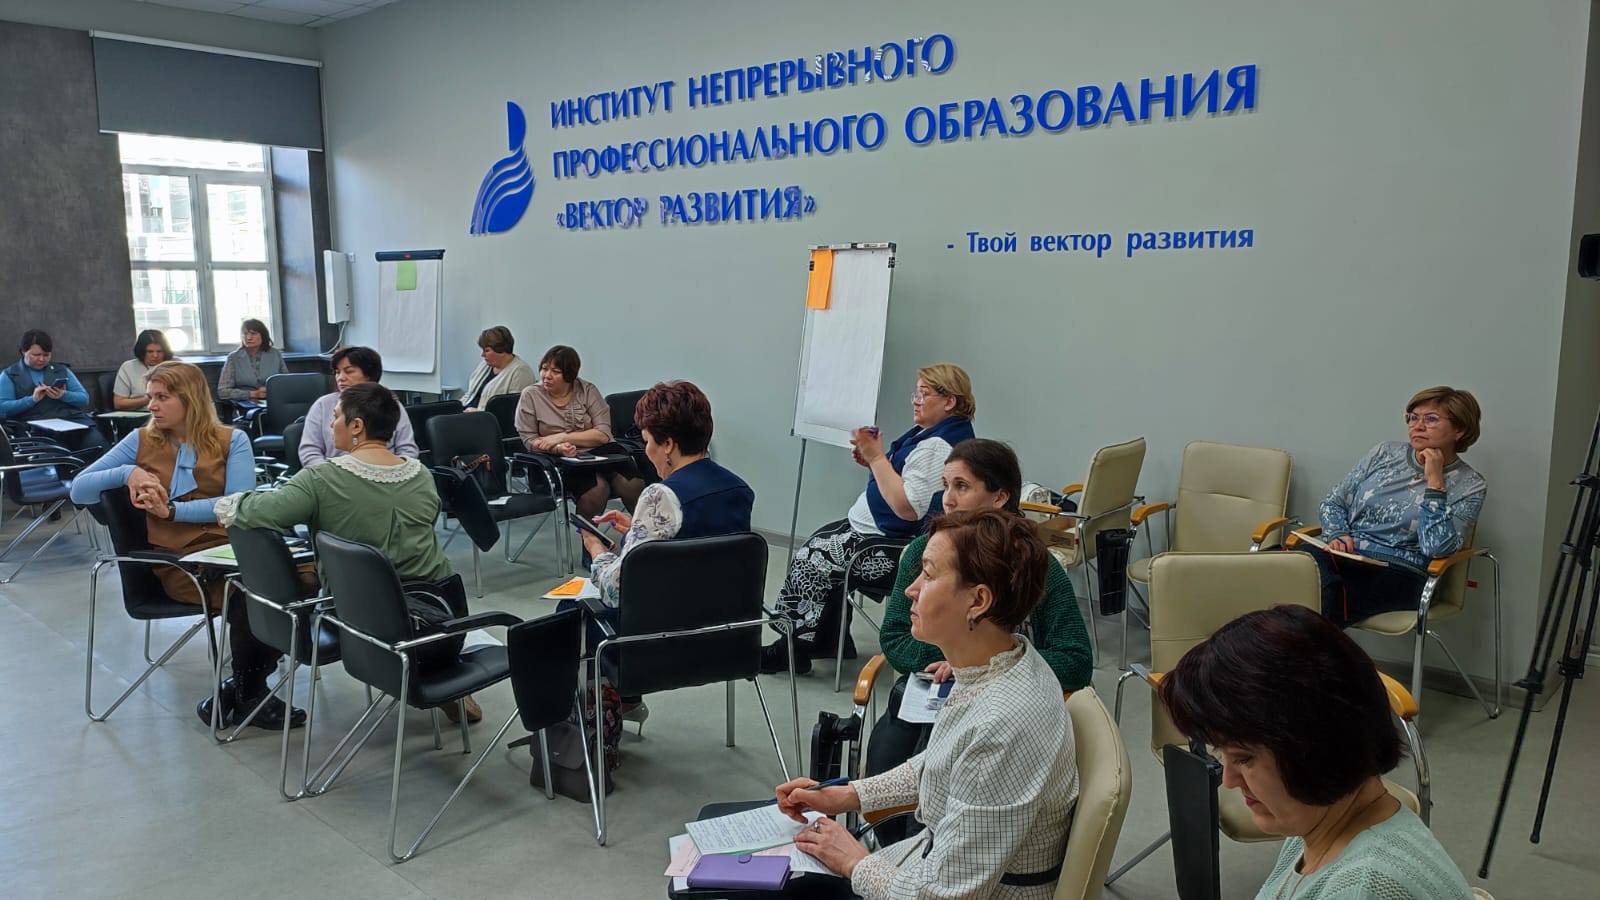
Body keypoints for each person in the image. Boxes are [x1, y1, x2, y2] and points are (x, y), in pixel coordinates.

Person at [778, 509, 1077, 899]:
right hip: (933, 866)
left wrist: (854, 862)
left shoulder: (1003, 723)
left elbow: (944, 894)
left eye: (930, 575)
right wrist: (851, 794)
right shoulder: (1005, 662)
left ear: (978, 600)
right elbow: (944, 762)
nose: (911, 589)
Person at [1159, 605, 1473, 900]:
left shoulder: (1363, 888)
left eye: (1244, 759)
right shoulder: (1318, 824)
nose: (1228, 780)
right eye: (1222, 754)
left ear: (1314, 746)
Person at [216, 382, 482, 723]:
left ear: (357, 426)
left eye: (336, 416)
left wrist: (229, 504)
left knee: (289, 584)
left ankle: (246, 689)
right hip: (441, 617)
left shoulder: (321, 478)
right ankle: (442, 676)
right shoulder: (421, 475)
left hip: (359, 618)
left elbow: (263, 512)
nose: (331, 424)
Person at [66, 362, 295, 728]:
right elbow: (79, 489)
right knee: (255, 590)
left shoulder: (231, 440)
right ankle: (251, 694)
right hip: (181, 562)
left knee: (302, 578)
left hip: (233, 548)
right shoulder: (140, 440)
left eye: (162, 397)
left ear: (190, 399)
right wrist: (129, 472)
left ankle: (238, 688)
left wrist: (173, 510)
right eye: (150, 397)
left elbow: (236, 504)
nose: (151, 406)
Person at [867, 439, 1092, 804]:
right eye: (945, 486)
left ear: (1000, 497)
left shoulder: (1036, 565)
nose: (948, 500)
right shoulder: (925, 552)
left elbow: (1077, 660)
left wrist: (983, 663)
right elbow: (895, 639)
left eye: (961, 486)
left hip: (1010, 707)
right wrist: (954, 659)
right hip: (932, 694)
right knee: (889, 767)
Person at [762, 364, 977, 675]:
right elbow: (904, 482)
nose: (915, 401)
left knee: (814, 558)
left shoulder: (936, 446)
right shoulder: (936, 434)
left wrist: (877, 458)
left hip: (893, 548)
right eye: (915, 393)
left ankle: (790, 650)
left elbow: (908, 508)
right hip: (880, 535)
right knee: (823, 541)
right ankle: (829, 641)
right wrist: (875, 464)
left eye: (924, 394)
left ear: (950, 401)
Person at [573, 381, 755, 725]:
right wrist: (638, 532)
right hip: (729, 640)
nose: (647, 452)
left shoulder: (660, 496)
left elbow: (615, 590)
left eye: (647, 442)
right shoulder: (738, 488)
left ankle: (605, 715)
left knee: (570, 611)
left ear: (668, 443)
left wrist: (598, 551)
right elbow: (703, 550)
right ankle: (622, 704)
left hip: (660, 645)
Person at [1304, 387, 1486, 627]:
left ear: (1460, 430)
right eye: (1412, 417)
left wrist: (1435, 483)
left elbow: (1436, 548)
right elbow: (1333, 502)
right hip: (1345, 558)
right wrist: (1337, 533)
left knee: (1321, 593)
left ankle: (1304, 645)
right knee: (1284, 567)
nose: (1417, 426)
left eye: (1431, 419)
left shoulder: (1471, 485)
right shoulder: (1385, 453)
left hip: (1402, 573)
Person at [514, 344, 645, 519]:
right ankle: (589, 536)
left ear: (570, 374)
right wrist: (558, 448)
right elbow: (530, 440)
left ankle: (646, 532)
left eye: (555, 371)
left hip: (602, 452)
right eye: (544, 369)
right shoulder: (530, 395)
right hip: (558, 460)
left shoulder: (587, 390)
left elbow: (603, 434)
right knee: (597, 490)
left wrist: (562, 437)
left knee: (633, 484)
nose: (547, 375)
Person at [299, 346, 418, 467]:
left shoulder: (390, 404)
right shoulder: (323, 405)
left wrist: (391, 472)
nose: (340, 378)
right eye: (337, 372)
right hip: (333, 475)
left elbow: (407, 450)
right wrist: (330, 474)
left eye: (349, 371)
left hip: (384, 472)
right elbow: (310, 451)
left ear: (368, 375)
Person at [0, 329, 104, 453]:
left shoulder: (61, 370)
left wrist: (63, 395)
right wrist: (31, 400)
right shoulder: (10, 375)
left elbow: (84, 399)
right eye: (36, 355)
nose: (41, 359)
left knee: (98, 444)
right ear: (23, 351)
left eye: (46, 355)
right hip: (35, 428)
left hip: (71, 422)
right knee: (56, 452)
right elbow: (3, 408)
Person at [461, 325, 536, 412]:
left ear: (501, 350)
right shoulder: (485, 365)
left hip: (486, 418)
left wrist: (478, 412)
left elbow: (512, 410)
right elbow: (470, 394)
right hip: (467, 412)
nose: (482, 355)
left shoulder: (521, 371)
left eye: (487, 351)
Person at [216, 319, 287, 402]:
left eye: (253, 333)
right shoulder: (233, 358)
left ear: (263, 336)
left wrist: (270, 389)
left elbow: (287, 383)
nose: (248, 338)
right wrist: (252, 394)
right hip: (246, 403)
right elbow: (222, 392)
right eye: (245, 334)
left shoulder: (275, 354)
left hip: (273, 401)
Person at [111, 329, 173, 410]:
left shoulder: (176, 365)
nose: (155, 355)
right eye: (150, 352)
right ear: (142, 352)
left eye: (159, 351)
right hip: (142, 413)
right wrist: (149, 399)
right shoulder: (128, 367)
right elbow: (119, 403)